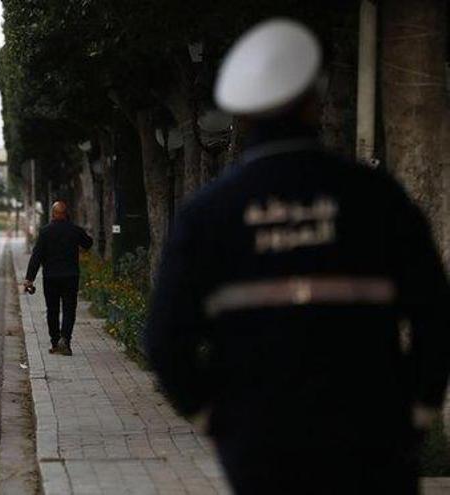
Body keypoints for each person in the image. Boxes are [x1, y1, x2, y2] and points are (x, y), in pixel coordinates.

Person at [143, 18, 450, 494]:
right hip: (373, 443)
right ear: (314, 99)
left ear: (240, 116)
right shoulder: (376, 197)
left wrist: (216, 419)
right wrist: (417, 409)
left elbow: (164, 339)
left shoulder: (209, 215)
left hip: (262, 448)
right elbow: (435, 314)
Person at [25, 201, 93, 356]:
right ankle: (66, 340)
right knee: (69, 309)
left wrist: (30, 278)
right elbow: (88, 243)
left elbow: (37, 256)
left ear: (53, 214)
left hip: (50, 277)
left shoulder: (45, 232)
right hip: (70, 276)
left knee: (52, 310)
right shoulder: (74, 230)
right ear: (66, 213)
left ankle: (55, 343)